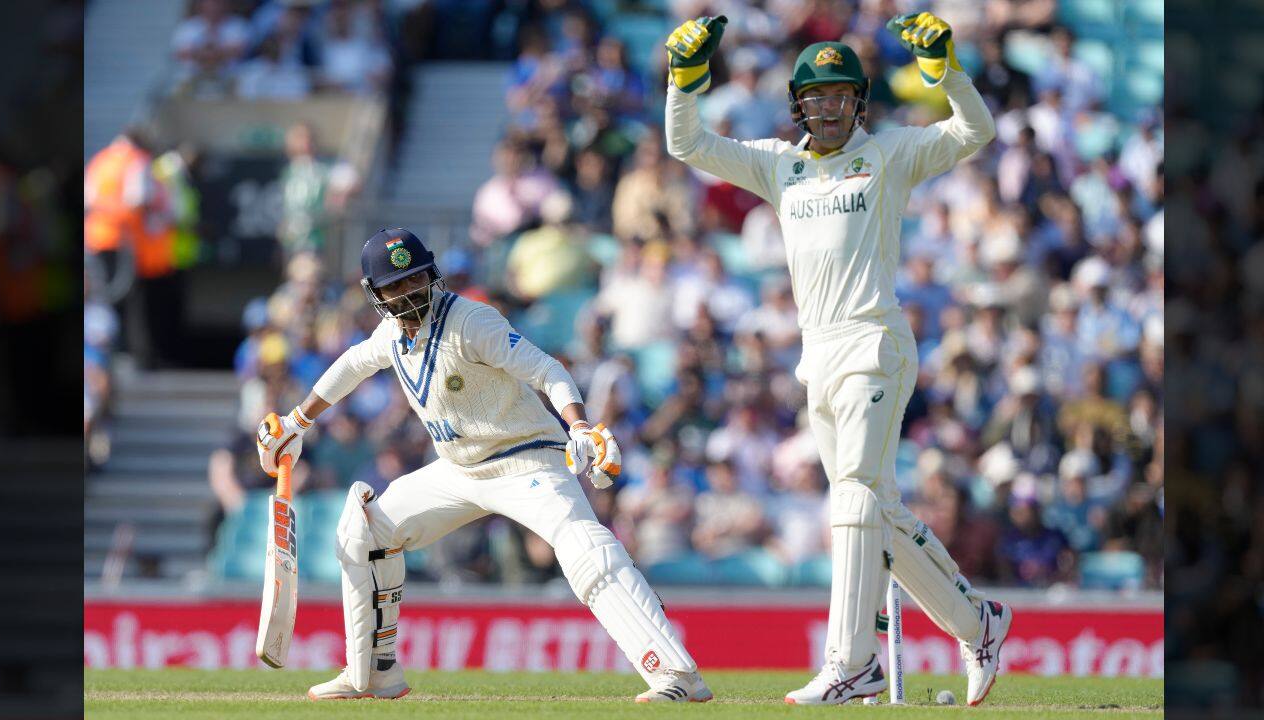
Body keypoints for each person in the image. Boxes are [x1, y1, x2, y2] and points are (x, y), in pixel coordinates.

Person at [663, 13, 1011, 706]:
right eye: (817, 96)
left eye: (841, 95)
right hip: (816, 357)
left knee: (852, 495)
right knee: (871, 509)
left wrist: (946, 70)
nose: (828, 107)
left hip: (874, 341)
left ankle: (851, 664)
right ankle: (980, 623)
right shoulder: (779, 165)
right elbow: (687, 143)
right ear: (798, 103)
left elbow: (977, 132)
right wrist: (682, 79)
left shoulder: (889, 154)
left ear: (860, 102)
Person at [255, 229, 712, 703]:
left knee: (584, 548)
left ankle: (677, 675)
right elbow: (352, 364)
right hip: (459, 470)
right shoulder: (390, 335)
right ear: (376, 295)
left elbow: (546, 369)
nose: (410, 293)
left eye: (416, 279)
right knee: (364, 531)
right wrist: (297, 420)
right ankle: (373, 673)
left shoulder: (471, 322)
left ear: (431, 274)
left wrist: (579, 426)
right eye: (396, 286)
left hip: (525, 459)